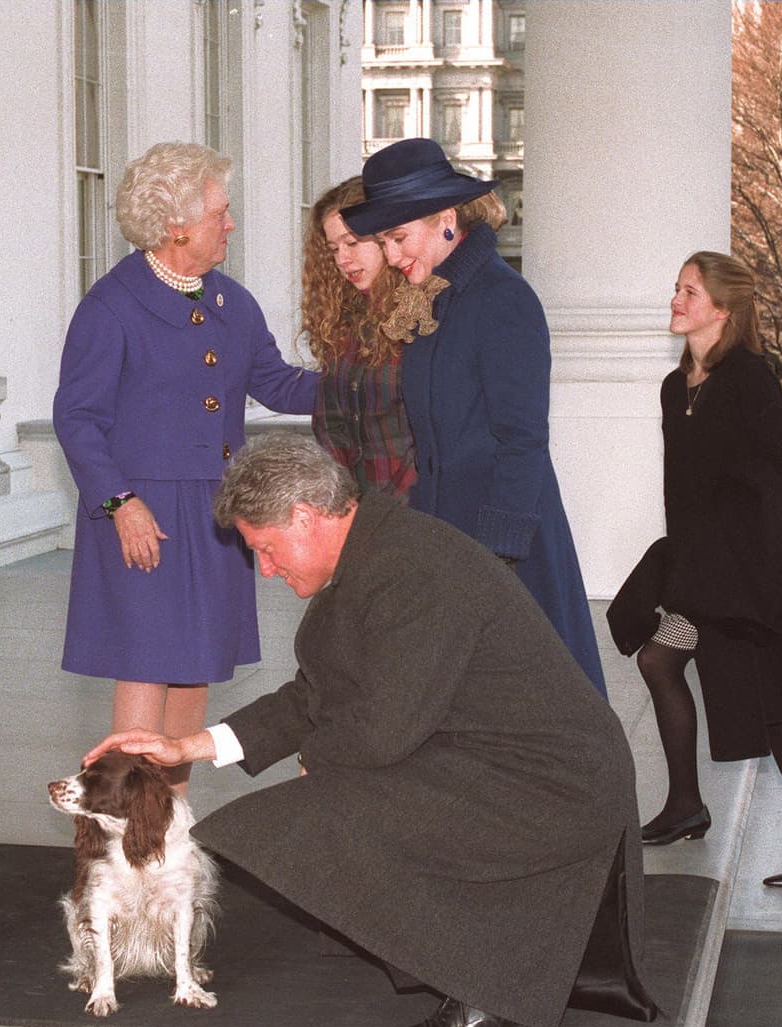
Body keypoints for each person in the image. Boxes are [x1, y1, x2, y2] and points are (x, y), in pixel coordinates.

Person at [86, 434, 658, 1027]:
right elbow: (314, 697)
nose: (268, 571)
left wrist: (315, 770)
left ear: (305, 516)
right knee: (305, 812)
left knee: (320, 812)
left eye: (267, 551)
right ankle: (455, 952)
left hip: (556, 786)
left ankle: (491, 990)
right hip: (508, 764)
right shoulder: (376, 555)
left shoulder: (412, 569)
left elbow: (383, 730)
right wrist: (182, 747)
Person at [53, 142, 317, 796]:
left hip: (213, 515)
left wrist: (369, 383)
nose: (230, 224)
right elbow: (77, 416)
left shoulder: (233, 302)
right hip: (140, 514)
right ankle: (117, 830)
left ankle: (165, 826)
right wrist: (120, 502)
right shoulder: (111, 305)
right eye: (220, 213)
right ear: (176, 227)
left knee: (194, 666)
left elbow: (279, 384)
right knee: (146, 663)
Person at [609, 252, 782, 889]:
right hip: (698, 572)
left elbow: (778, 480)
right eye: (677, 287)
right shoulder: (674, 385)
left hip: (747, 577)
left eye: (690, 291)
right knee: (657, 660)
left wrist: (773, 578)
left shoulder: (750, 379)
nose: (676, 299)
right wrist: (677, 562)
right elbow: (680, 489)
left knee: (771, 704)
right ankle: (687, 803)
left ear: (722, 308)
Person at [339, 138, 605, 695]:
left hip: (504, 539)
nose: (390, 256)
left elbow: (523, 440)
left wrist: (496, 556)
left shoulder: (504, 300)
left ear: (447, 220)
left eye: (398, 238)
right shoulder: (432, 302)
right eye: (383, 242)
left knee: (533, 706)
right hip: (447, 530)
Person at [302, 177, 416, 500]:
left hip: (415, 514)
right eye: (334, 249)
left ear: (385, 238)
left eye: (352, 243)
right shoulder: (342, 323)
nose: (342, 259)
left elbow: (428, 441)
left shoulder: (421, 317)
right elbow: (329, 427)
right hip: (355, 513)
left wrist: (382, 513)